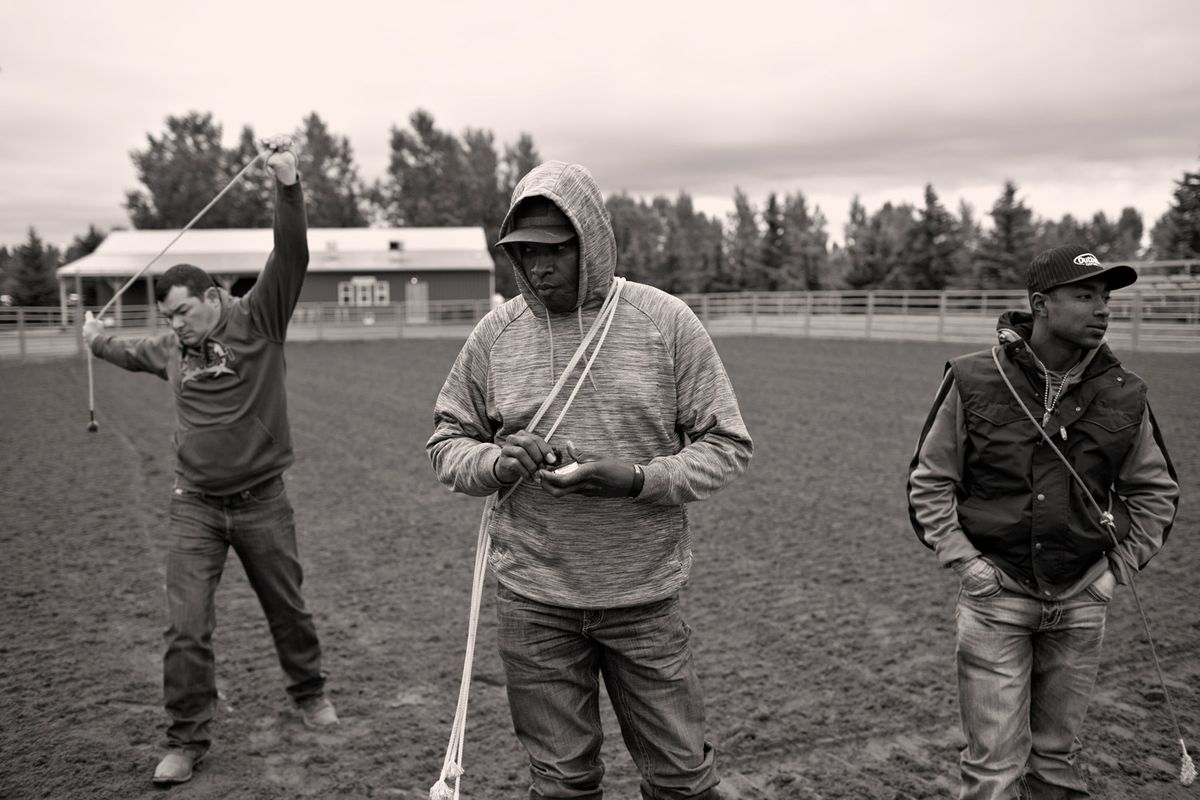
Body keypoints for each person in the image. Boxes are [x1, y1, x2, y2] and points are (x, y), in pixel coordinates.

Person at [427, 161, 753, 800]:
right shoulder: (495, 336)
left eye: (553, 250)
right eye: (523, 252)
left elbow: (727, 445)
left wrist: (634, 478)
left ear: (590, 242)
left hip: (643, 599)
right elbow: (446, 444)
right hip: (533, 601)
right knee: (561, 785)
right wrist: (496, 461)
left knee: (683, 780)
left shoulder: (664, 322)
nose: (537, 267)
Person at [83, 137, 338, 786]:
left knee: (288, 608)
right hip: (194, 505)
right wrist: (94, 338)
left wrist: (286, 185)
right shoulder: (172, 349)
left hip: (262, 502)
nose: (174, 327)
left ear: (208, 297)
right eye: (166, 318)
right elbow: (127, 349)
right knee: (186, 627)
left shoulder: (260, 318)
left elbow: (293, 254)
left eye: (181, 314)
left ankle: (309, 692)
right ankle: (186, 740)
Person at [907, 244, 1179, 799]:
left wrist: (1112, 573)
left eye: (1106, 298)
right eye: (1084, 295)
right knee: (993, 771)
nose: (1102, 309)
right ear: (1041, 304)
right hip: (996, 598)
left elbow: (1153, 492)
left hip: (1082, 601)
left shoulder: (1125, 393)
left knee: (1056, 767)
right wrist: (968, 564)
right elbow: (930, 481)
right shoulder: (973, 379)